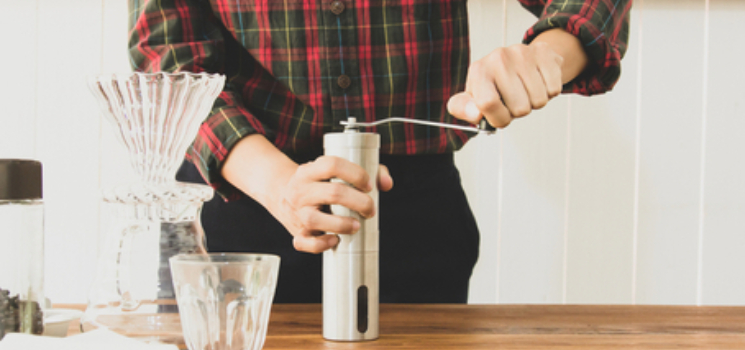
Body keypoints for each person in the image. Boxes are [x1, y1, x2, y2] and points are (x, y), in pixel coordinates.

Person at [129, 0, 630, 303]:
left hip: (416, 217)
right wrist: (280, 186)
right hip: (242, 206)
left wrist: (545, 55)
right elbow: (167, 62)